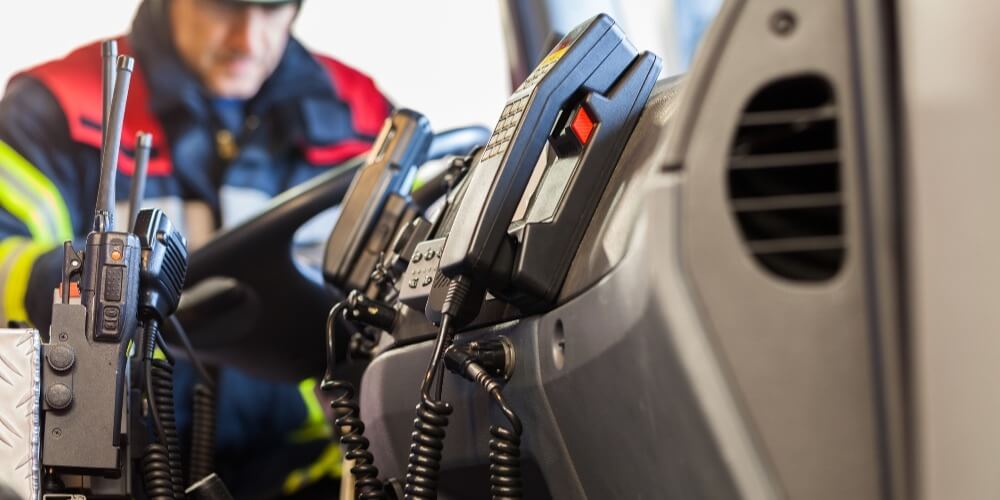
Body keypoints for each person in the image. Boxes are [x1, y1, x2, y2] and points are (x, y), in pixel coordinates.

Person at [0, 0, 391, 495]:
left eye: (272, 9)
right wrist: (83, 289)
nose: (248, 40)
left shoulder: (363, 117)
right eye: (224, 6)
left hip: (312, 467)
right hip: (117, 470)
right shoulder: (56, 110)